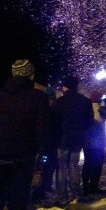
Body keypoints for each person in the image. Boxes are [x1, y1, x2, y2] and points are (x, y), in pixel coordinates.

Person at [0, 59, 52, 210]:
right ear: (31, 75)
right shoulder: (38, 97)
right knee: (18, 199)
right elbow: (43, 129)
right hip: (23, 158)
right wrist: (43, 155)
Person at [51, 75, 94, 205]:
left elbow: (53, 121)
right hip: (77, 139)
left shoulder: (59, 102)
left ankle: (62, 197)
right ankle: (76, 195)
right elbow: (89, 121)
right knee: (74, 166)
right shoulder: (85, 101)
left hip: (62, 140)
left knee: (62, 168)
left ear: (65, 87)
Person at [82, 91, 106, 198]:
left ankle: (85, 187)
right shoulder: (100, 108)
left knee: (87, 164)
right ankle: (94, 186)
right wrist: (104, 101)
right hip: (98, 142)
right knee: (97, 165)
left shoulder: (85, 107)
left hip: (87, 141)